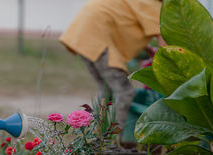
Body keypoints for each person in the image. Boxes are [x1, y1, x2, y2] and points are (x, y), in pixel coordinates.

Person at [60, 0, 165, 143]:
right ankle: (113, 141)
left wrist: (147, 48)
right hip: (98, 36)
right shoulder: (153, 4)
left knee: (106, 90)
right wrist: (168, 60)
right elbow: (161, 37)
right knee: (125, 92)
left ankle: (93, 136)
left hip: (82, 33)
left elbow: (123, 19)